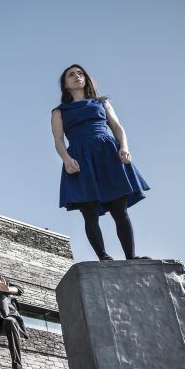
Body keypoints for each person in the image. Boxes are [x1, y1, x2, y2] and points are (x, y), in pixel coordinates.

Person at [51, 64, 149, 260]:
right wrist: (67, 159)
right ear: (66, 84)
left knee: (119, 210)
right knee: (89, 213)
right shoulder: (59, 112)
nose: (77, 76)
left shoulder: (101, 103)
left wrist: (124, 147)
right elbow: (58, 139)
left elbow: (117, 127)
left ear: (86, 79)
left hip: (108, 154)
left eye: (80, 73)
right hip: (80, 159)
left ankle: (131, 257)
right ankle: (103, 256)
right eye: (71, 75)